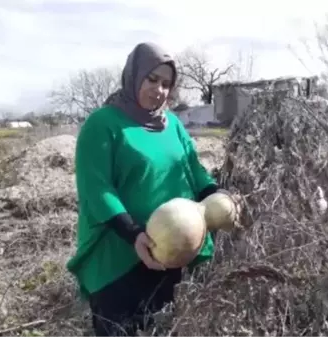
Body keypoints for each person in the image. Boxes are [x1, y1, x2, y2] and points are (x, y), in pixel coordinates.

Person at [66, 42, 230, 337]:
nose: (159, 90)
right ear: (133, 75)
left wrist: (216, 196)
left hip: (169, 250)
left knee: (161, 328)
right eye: (152, 79)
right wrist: (134, 234)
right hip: (119, 258)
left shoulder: (173, 125)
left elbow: (193, 169)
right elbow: (96, 187)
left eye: (167, 84)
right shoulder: (103, 124)